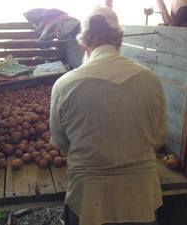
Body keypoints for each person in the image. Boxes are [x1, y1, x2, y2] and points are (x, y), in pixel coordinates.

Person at [49, 6, 167, 225]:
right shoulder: (151, 81)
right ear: (120, 39)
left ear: (83, 43)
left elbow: (62, 142)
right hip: (140, 197)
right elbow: (159, 139)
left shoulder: (64, 85)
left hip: (89, 198)